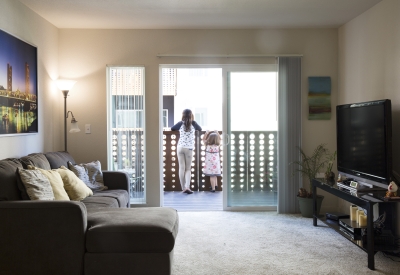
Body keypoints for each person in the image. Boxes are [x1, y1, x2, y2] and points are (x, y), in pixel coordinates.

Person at [171, 109, 202, 194]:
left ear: (183, 115)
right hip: (189, 149)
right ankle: (187, 187)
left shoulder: (180, 123)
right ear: (191, 115)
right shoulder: (194, 123)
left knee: (181, 167)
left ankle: (183, 187)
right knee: (188, 169)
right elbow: (200, 129)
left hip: (180, 147)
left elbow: (172, 128)